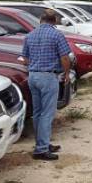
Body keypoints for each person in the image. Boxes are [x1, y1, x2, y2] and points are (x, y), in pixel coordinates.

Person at [21, 9, 71, 161]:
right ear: (54, 21)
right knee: (47, 114)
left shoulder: (29, 35)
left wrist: (35, 65)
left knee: (37, 113)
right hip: (48, 77)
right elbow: (65, 57)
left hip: (33, 76)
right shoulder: (57, 35)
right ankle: (41, 149)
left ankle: (42, 143)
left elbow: (25, 58)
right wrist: (67, 73)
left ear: (40, 20)